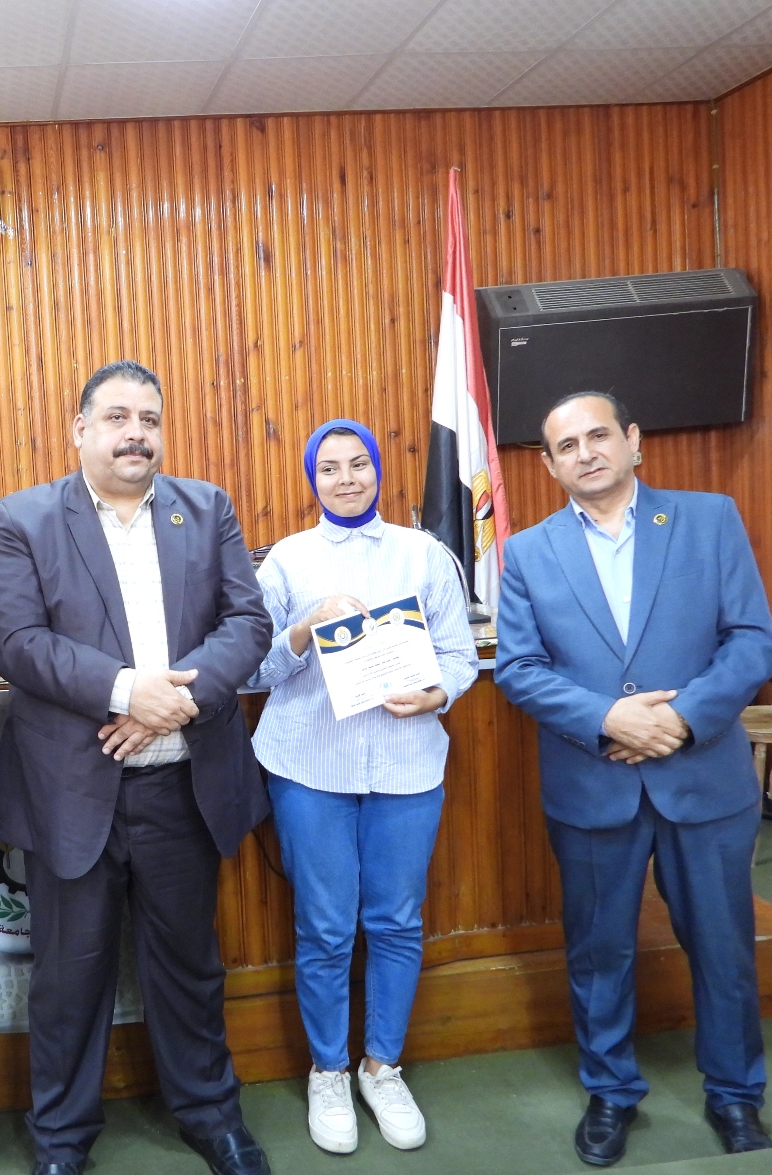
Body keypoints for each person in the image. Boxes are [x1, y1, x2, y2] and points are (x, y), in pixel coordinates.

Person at [0, 360, 274, 1175]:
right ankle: (61, 1138)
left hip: (183, 785)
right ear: (80, 429)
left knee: (188, 965)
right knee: (68, 978)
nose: (134, 433)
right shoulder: (24, 518)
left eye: (148, 418)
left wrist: (172, 701)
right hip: (73, 794)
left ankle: (210, 1114)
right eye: (116, 417)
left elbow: (247, 622)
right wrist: (125, 689)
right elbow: (18, 642)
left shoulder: (206, 508)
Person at [495, 392, 772, 1166]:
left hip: (702, 778)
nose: (584, 452)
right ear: (547, 465)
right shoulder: (526, 553)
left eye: (597, 435)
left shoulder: (708, 519)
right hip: (594, 784)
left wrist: (681, 719)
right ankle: (610, 1091)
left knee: (722, 948)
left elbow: (751, 641)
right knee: (598, 953)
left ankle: (735, 1093)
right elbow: (518, 668)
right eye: (566, 445)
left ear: (631, 440)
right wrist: (608, 717)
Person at [248, 420, 477, 1155]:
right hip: (309, 766)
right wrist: (303, 628)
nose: (345, 478)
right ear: (312, 479)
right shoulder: (287, 561)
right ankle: (328, 1069)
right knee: (323, 925)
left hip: (407, 765)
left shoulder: (424, 554)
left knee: (396, 921)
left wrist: (436, 693)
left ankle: (382, 1066)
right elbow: (251, 668)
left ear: (378, 470)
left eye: (358, 464)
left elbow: (460, 655)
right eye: (330, 468)